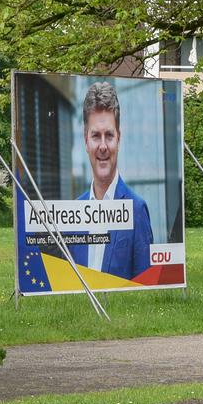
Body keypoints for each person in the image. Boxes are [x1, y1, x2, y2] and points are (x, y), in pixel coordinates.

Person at [66, 81, 153, 280]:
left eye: (109, 136)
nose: (103, 146)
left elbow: (146, 289)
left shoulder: (136, 209)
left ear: (119, 139)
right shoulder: (73, 213)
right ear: (86, 140)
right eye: (96, 136)